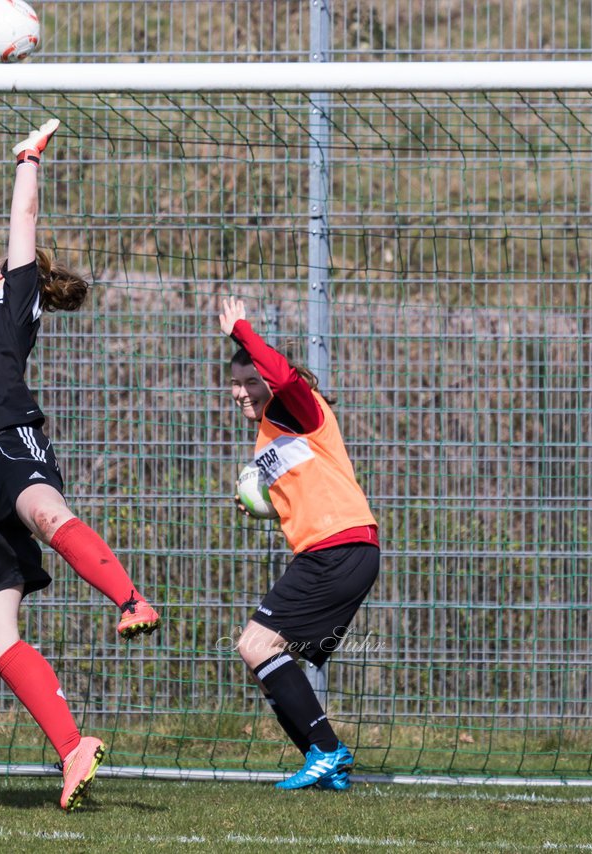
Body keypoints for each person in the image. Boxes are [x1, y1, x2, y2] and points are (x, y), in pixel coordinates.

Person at [0, 118, 161, 811]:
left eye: (0, 267)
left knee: (49, 513)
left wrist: (28, 158)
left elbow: (24, 217)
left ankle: (130, 598)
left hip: (11, 442)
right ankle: (73, 749)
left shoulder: (15, 310)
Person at [218, 295, 380, 791]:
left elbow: (284, 378)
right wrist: (266, 506)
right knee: (263, 658)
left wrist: (242, 331)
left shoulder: (295, 407)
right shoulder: (270, 433)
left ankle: (327, 750)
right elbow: (304, 490)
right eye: (236, 384)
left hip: (338, 548)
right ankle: (324, 759)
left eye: (252, 381)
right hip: (336, 550)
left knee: (255, 644)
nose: (244, 392)